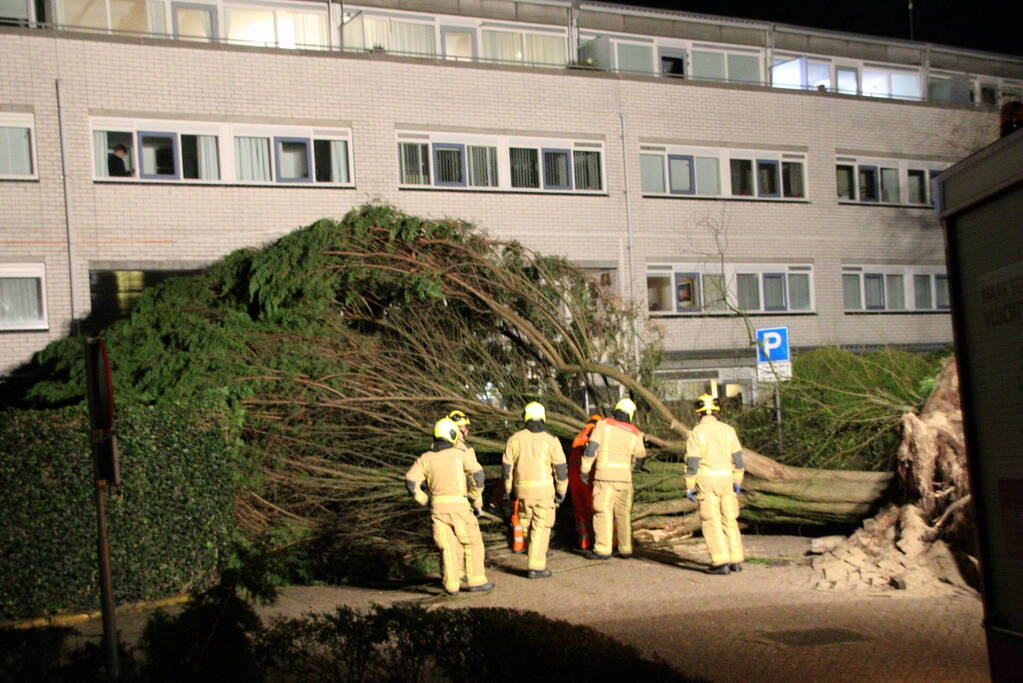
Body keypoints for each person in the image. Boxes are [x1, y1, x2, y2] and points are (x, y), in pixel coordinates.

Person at [405, 417, 494, 595]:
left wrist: (426, 501)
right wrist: (475, 497)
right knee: (472, 543)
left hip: (437, 510)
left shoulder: (425, 458)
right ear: (453, 435)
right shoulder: (459, 454)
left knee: (448, 547)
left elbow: (410, 481)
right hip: (460, 509)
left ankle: (451, 586)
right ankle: (476, 581)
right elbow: (478, 475)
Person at [502, 401, 568, 578]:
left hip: (522, 492)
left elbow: (507, 469)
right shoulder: (551, 440)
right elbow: (561, 469)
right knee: (541, 527)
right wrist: (562, 491)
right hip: (544, 493)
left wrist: (509, 490)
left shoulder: (514, 439)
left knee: (528, 525)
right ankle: (536, 567)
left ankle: (533, 555)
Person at [684, 394, 746, 575]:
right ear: (717, 412)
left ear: (699, 413)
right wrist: (737, 479)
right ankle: (736, 559)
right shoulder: (729, 430)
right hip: (727, 481)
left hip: (706, 482)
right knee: (730, 519)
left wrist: (689, 485)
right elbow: (738, 459)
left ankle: (720, 562)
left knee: (711, 521)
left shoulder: (696, 433)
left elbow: (693, 462)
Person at [580, 398, 646, 560]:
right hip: (625, 481)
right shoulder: (635, 433)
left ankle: (603, 549)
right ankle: (625, 549)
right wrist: (629, 470)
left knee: (603, 511)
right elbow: (639, 459)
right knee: (623, 514)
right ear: (630, 415)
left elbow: (591, 449)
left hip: (605, 478)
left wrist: (585, 469)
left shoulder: (604, 425)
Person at [567, 414, 602, 550]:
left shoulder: (580, 435)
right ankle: (597, 542)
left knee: (580, 510)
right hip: (587, 475)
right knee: (595, 508)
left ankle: (584, 542)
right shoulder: (595, 433)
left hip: (573, 477)